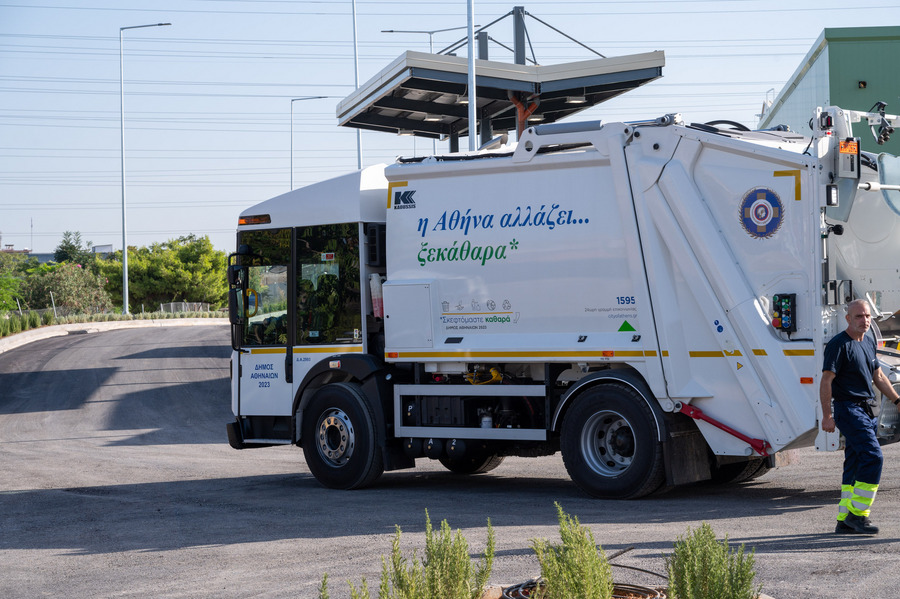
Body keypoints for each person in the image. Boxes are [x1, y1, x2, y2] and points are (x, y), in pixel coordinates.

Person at [820, 299, 900, 535]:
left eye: (867, 316)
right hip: (848, 409)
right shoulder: (838, 345)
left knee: (854, 463)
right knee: (873, 457)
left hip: (867, 410)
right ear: (848, 319)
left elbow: (879, 376)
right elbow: (826, 381)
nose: (864, 320)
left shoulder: (868, 341)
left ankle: (844, 519)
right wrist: (827, 415)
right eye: (858, 317)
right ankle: (859, 515)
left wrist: (897, 400)